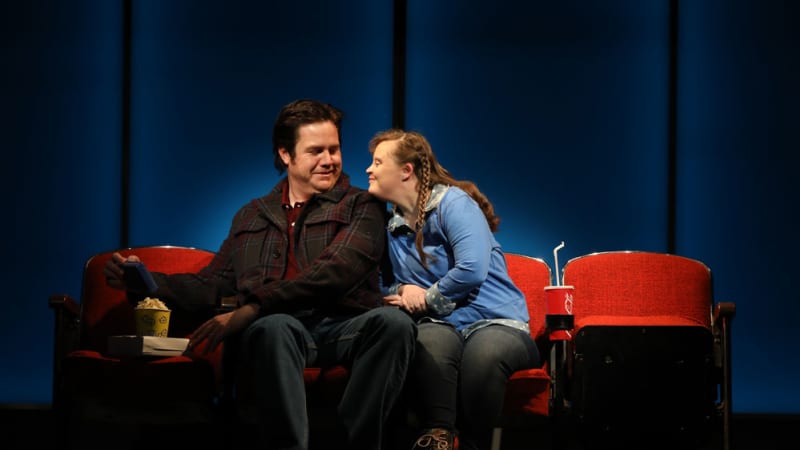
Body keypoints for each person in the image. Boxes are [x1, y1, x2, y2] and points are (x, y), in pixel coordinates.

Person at [104, 99, 418, 450]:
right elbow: (214, 282)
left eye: (334, 149)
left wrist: (251, 307)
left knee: (394, 324)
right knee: (275, 325)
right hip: (277, 331)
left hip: (343, 325)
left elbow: (337, 272)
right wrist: (146, 283)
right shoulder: (251, 215)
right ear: (286, 154)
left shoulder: (363, 205)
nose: (329, 160)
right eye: (316, 151)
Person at [365, 129, 541, 450]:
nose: (369, 169)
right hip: (440, 324)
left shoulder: (453, 203)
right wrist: (403, 288)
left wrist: (426, 297)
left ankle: (473, 444)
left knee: (482, 357)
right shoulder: (388, 225)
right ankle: (440, 437)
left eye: (378, 162)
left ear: (406, 171)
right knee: (428, 343)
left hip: (496, 323)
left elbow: (472, 269)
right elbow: (380, 281)